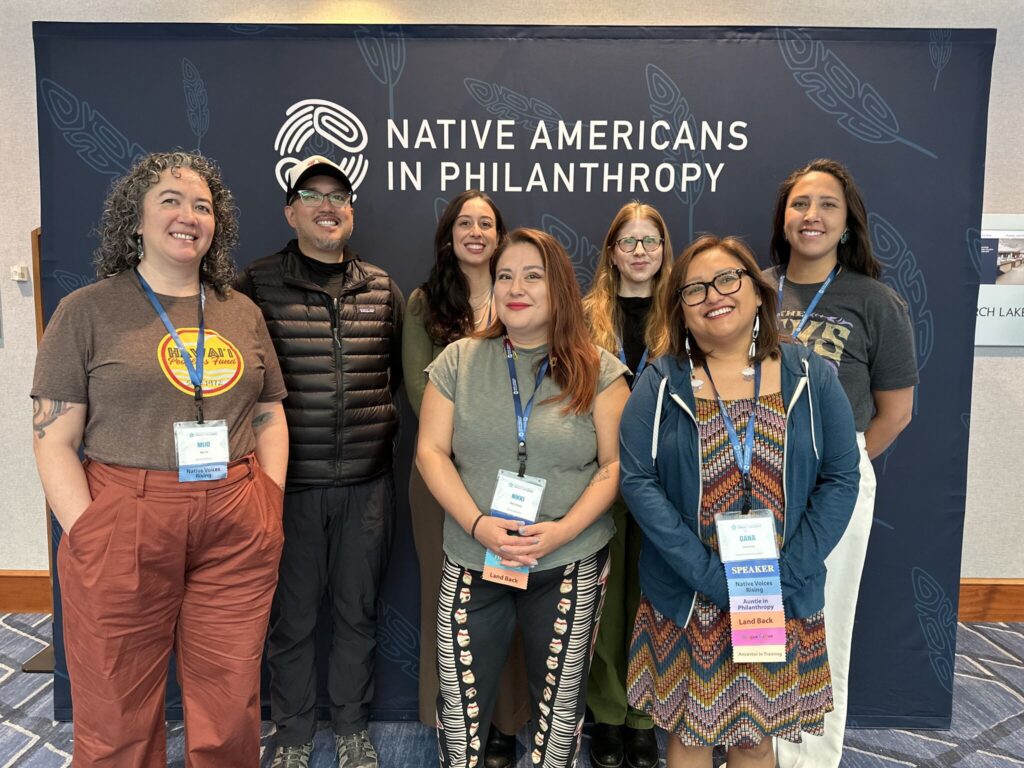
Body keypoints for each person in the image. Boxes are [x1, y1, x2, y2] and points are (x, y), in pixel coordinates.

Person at [31, 151, 288, 767]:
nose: (188, 215)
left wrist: (268, 499)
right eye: (169, 200)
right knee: (115, 709)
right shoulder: (87, 311)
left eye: (202, 206)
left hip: (235, 515)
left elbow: (270, 412)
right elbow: (53, 437)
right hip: (124, 514)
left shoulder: (240, 311)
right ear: (137, 221)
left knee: (229, 704)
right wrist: (89, 530)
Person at [621, 235, 860, 768]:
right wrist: (707, 575)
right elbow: (638, 480)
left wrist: (786, 574)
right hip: (690, 596)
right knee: (691, 733)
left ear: (758, 292)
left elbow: (842, 478)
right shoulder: (660, 381)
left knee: (756, 738)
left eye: (728, 279)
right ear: (680, 311)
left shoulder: (811, 376)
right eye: (695, 289)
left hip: (778, 594)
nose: (714, 295)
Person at [417, 228, 630, 768]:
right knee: (460, 716)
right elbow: (431, 454)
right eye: (505, 275)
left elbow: (614, 466)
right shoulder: (460, 361)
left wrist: (561, 530)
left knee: (558, 716)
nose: (516, 287)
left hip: (568, 560)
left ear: (558, 287)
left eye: (532, 276)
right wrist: (476, 523)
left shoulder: (600, 370)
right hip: (473, 556)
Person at [235, 155, 404, 768]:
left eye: (339, 196)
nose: (327, 205)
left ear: (351, 214)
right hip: (289, 484)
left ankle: (354, 729)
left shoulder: (383, 289)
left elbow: (400, 381)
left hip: (367, 486)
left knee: (357, 616)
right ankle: (293, 733)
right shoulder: (255, 284)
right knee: (294, 620)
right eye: (312, 194)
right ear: (290, 211)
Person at [766, 159, 918, 768]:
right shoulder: (753, 285)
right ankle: (757, 747)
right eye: (801, 203)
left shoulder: (875, 301)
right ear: (784, 217)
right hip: (749, 476)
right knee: (755, 618)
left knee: (820, 626)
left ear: (848, 224)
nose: (812, 215)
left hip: (832, 478)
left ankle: (808, 760)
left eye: (827, 205)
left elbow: (895, 413)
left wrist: (835, 469)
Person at [401, 190, 531, 767]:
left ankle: (505, 722)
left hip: (515, 479)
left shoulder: (521, 297)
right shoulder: (425, 303)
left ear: (500, 235)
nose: (475, 231)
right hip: (442, 476)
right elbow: (418, 390)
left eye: (486, 222)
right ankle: (455, 723)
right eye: (464, 222)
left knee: (510, 595)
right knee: (448, 604)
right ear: (448, 235)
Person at [581, 201, 673, 768]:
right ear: (612, 251)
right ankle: (608, 714)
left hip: (666, 481)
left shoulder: (685, 311)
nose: (640, 251)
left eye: (651, 241)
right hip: (601, 476)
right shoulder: (585, 314)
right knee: (605, 602)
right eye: (629, 241)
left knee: (654, 600)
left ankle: (644, 716)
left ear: (665, 251)